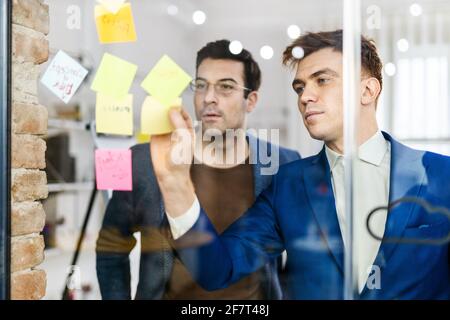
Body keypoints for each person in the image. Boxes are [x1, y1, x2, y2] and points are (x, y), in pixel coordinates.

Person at [150, 30, 450, 299]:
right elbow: (216, 270)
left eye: (322, 80)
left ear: (368, 91)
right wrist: (174, 183)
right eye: (299, 87)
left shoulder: (442, 175)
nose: (305, 96)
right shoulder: (288, 184)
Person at [96, 39, 301, 300]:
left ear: (251, 100)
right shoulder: (145, 160)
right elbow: (112, 244)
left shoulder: (284, 164)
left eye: (225, 87)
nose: (209, 98)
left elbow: (301, 256)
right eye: (200, 85)